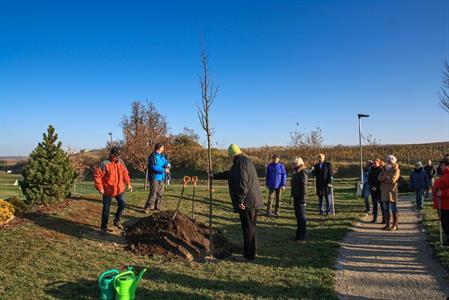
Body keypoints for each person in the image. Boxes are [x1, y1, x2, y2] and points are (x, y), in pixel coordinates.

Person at [227, 144, 264, 261]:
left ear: (233, 156)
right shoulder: (244, 161)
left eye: (229, 157)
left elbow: (243, 182)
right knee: (251, 228)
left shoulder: (239, 164)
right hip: (252, 200)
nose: (230, 160)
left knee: (248, 229)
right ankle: (252, 252)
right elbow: (231, 175)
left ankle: (248, 256)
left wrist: (241, 199)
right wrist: (215, 175)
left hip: (247, 202)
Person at [94, 147, 133, 235]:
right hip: (108, 190)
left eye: (118, 156)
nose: (117, 157)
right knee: (106, 209)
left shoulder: (121, 162)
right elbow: (97, 176)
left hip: (119, 189)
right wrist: (100, 188)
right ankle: (103, 227)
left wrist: (128, 184)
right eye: (115, 156)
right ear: (111, 154)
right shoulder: (105, 164)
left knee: (122, 204)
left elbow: (125, 173)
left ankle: (117, 220)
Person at [144, 143, 171, 213]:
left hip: (161, 177)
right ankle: (147, 207)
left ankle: (157, 207)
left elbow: (166, 162)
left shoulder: (162, 156)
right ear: (159, 148)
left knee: (160, 193)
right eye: (162, 147)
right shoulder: (152, 156)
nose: (163, 149)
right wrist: (163, 170)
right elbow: (153, 167)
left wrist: (168, 164)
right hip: (154, 177)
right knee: (153, 193)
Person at [379, 155, 400, 231]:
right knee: (386, 209)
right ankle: (387, 224)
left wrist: (385, 177)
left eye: (390, 160)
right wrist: (387, 177)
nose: (388, 161)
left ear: (393, 161)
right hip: (384, 191)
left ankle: (395, 225)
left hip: (392, 191)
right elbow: (379, 178)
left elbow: (393, 180)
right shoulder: (384, 169)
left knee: (393, 209)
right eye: (387, 160)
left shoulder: (396, 169)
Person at [291, 157, 308, 244]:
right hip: (296, 197)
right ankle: (298, 235)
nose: (292, 166)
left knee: (302, 218)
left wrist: (303, 199)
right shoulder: (296, 172)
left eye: (294, 164)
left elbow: (304, 186)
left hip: (301, 198)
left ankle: (302, 237)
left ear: (299, 164)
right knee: (298, 217)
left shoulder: (302, 172)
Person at [433, 158, 449, 245]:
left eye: (441, 164)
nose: (440, 166)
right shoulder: (444, 174)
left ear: (447, 165)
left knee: (446, 223)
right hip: (443, 203)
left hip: (446, 203)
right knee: (444, 222)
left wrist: (442, 193)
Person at [368, 159, 385, 223]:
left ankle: (384, 219)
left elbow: (381, 180)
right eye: (373, 163)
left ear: (379, 163)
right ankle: (374, 218)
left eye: (376, 163)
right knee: (374, 204)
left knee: (382, 204)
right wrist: (372, 186)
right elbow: (369, 180)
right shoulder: (371, 170)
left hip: (380, 189)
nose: (374, 164)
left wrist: (377, 187)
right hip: (372, 189)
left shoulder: (381, 170)